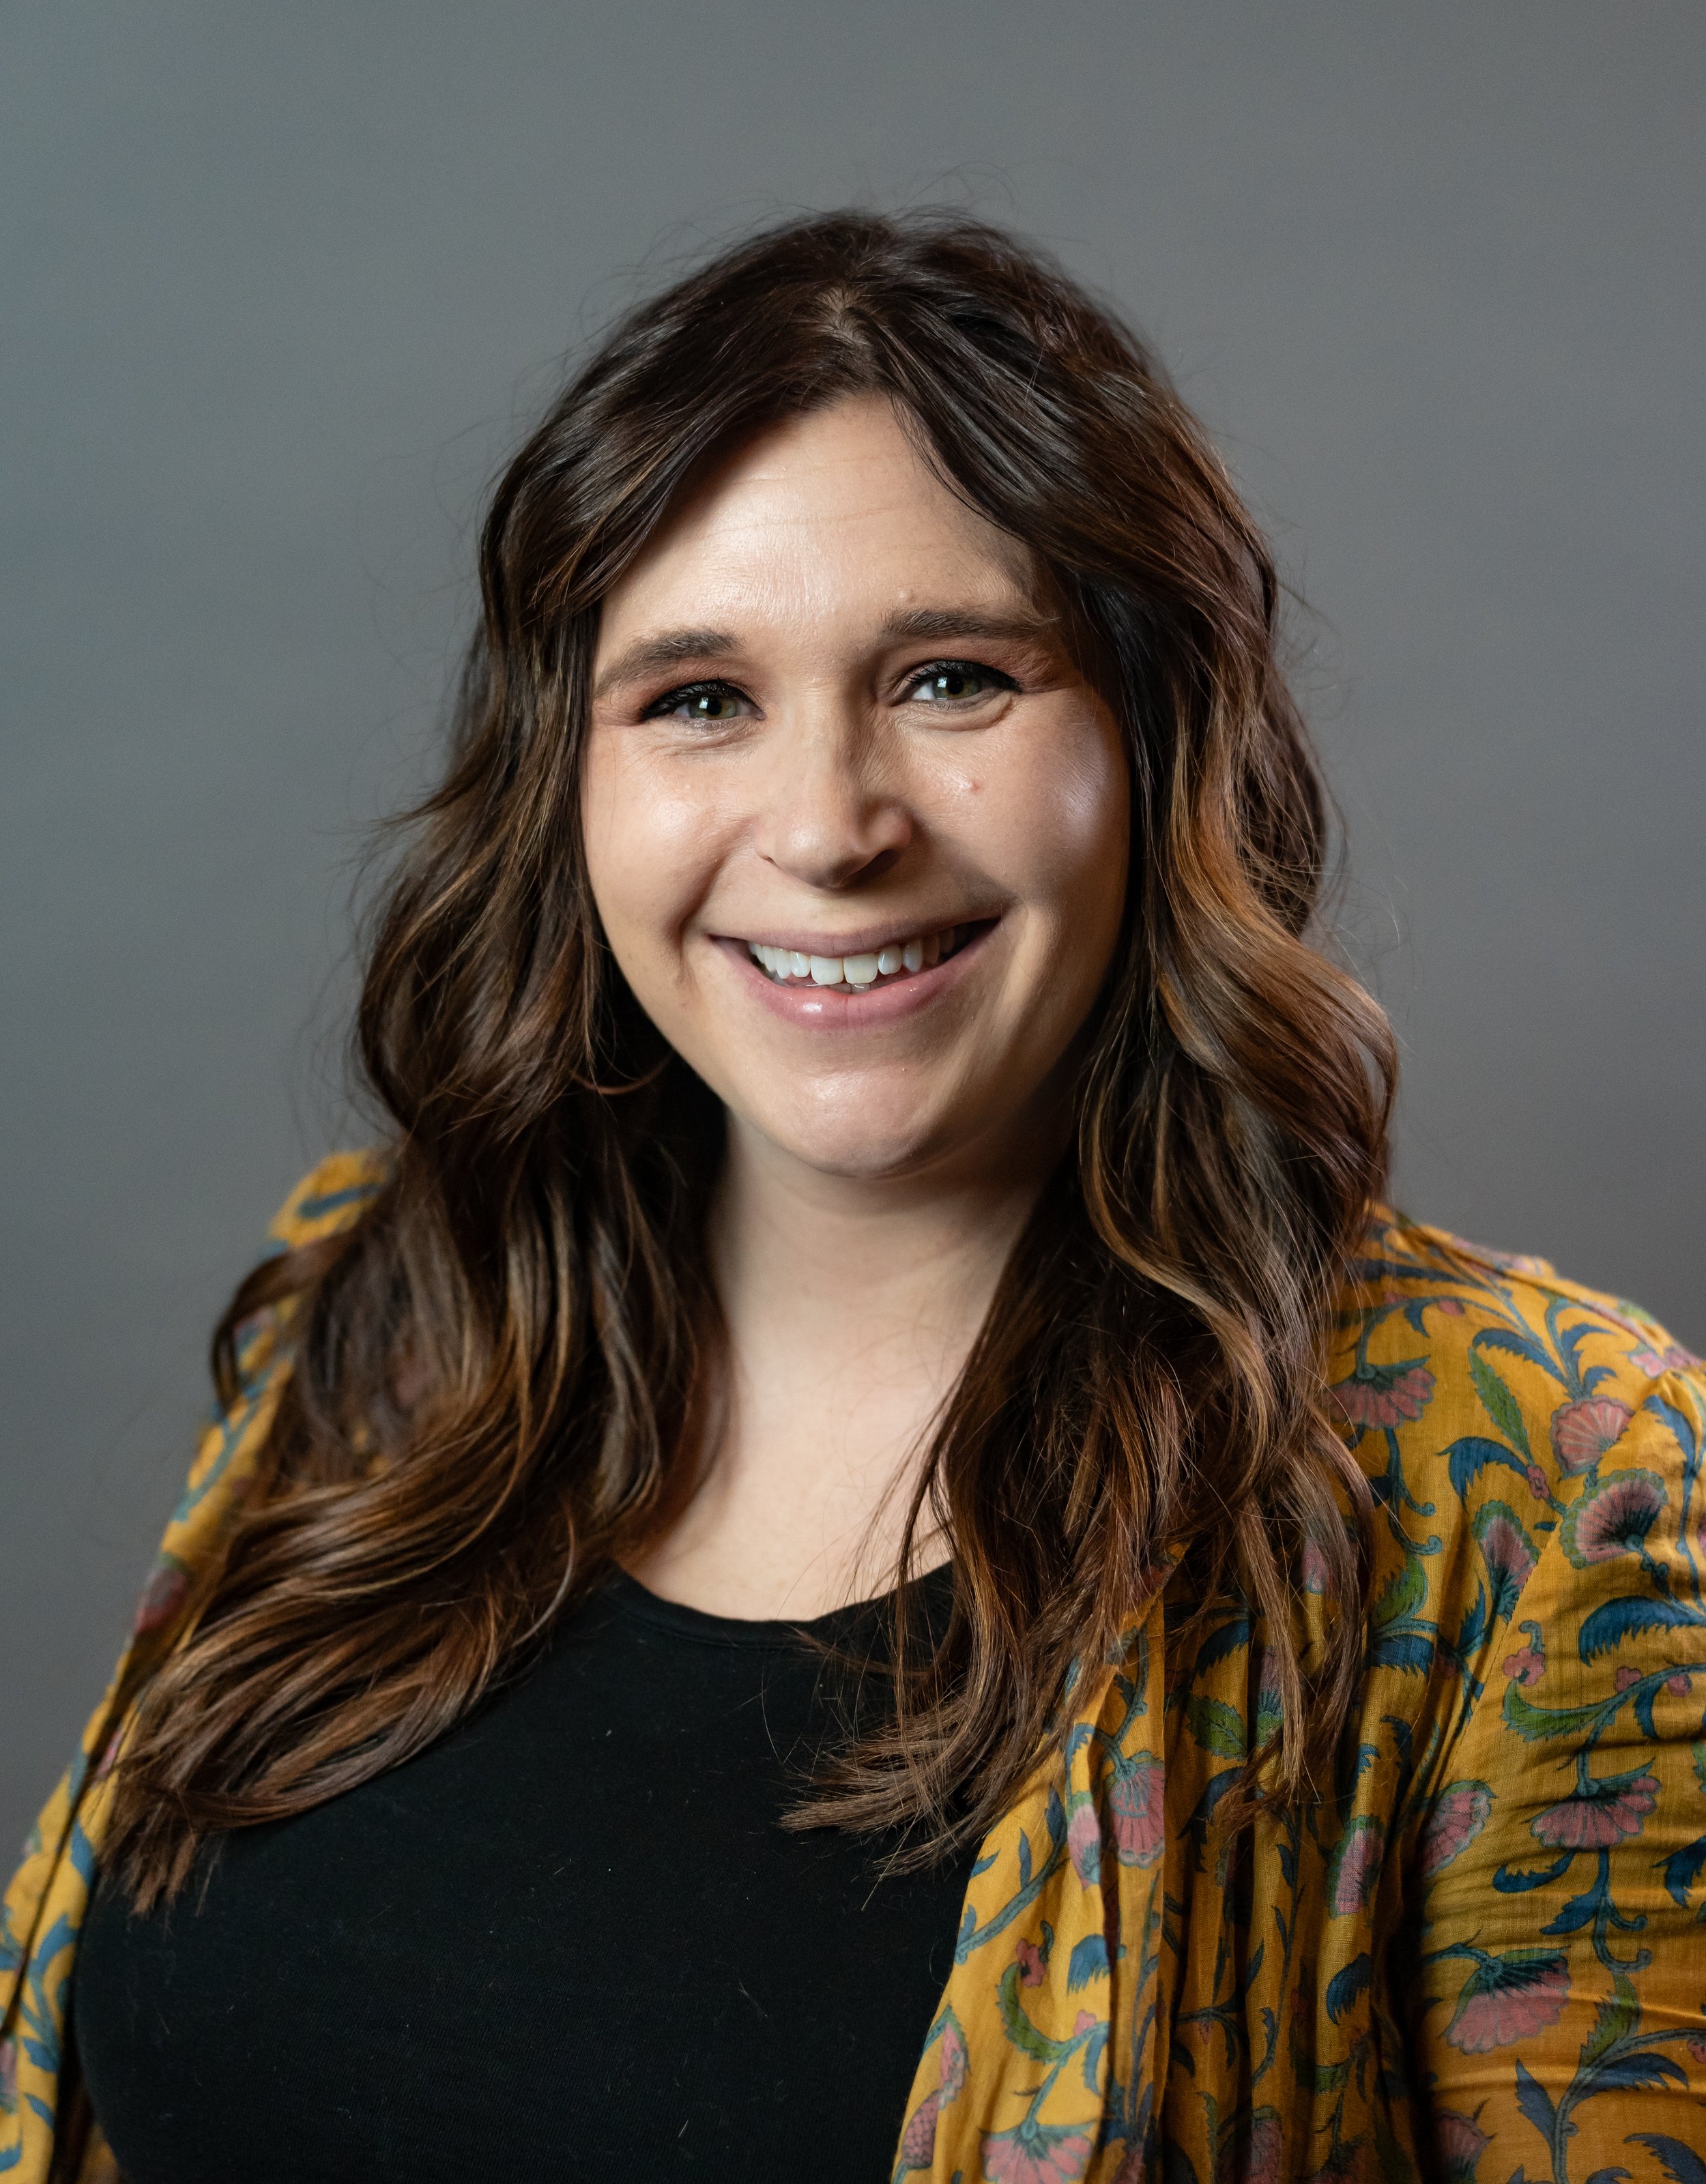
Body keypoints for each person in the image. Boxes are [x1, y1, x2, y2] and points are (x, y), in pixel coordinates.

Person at [4, 212, 1702, 2184]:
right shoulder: (385, 1329)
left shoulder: (1548, 1488)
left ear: (1156, 741)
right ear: (567, 784)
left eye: (954, 678)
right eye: (696, 698)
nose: (826, 828)